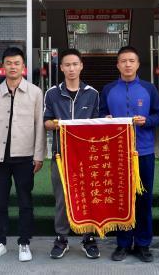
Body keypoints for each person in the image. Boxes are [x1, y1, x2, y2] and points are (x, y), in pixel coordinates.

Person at [99, 46, 159, 263]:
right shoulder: (108, 89)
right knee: (122, 199)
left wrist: (148, 121)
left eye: (131, 61)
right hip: (117, 153)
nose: (127, 64)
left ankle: (143, 244)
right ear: (117, 65)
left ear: (138, 64)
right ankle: (123, 243)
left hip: (143, 152)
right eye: (123, 61)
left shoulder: (149, 88)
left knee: (144, 199)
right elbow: (100, 113)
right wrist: (105, 119)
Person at [0, 47, 46, 262]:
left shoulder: (35, 93)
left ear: (23, 66)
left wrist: (39, 155)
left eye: (17, 63)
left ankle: (24, 243)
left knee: (25, 202)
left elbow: (39, 126)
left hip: (25, 157)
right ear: (2, 66)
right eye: (8, 63)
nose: (12, 67)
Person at [43, 48, 101, 259]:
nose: (71, 68)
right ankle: (61, 238)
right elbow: (46, 122)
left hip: (86, 156)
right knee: (62, 198)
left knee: (88, 197)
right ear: (61, 68)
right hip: (61, 156)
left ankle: (88, 238)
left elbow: (97, 123)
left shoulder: (92, 94)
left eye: (75, 64)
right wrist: (55, 124)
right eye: (67, 65)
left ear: (81, 66)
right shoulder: (52, 93)